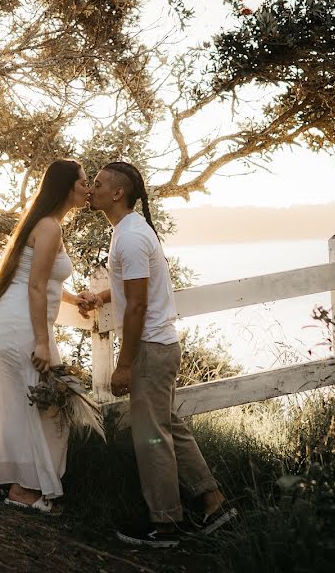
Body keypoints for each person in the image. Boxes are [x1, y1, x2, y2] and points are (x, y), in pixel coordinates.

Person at [81, 161, 237, 547]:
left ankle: (165, 525)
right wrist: (100, 296)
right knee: (169, 428)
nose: (91, 189)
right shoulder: (128, 231)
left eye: (98, 184)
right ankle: (213, 503)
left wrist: (124, 364)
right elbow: (134, 290)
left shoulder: (131, 237)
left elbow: (136, 307)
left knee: (151, 437)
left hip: (150, 349)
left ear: (118, 193)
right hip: (160, 345)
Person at [0, 159, 91, 514]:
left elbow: (44, 276)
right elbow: (35, 284)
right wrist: (43, 342)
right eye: (83, 183)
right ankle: (26, 490)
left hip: (19, 321)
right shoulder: (48, 227)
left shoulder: (46, 224)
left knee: (28, 404)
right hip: (23, 326)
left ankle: (22, 484)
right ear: (67, 188)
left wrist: (76, 299)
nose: (88, 189)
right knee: (40, 405)